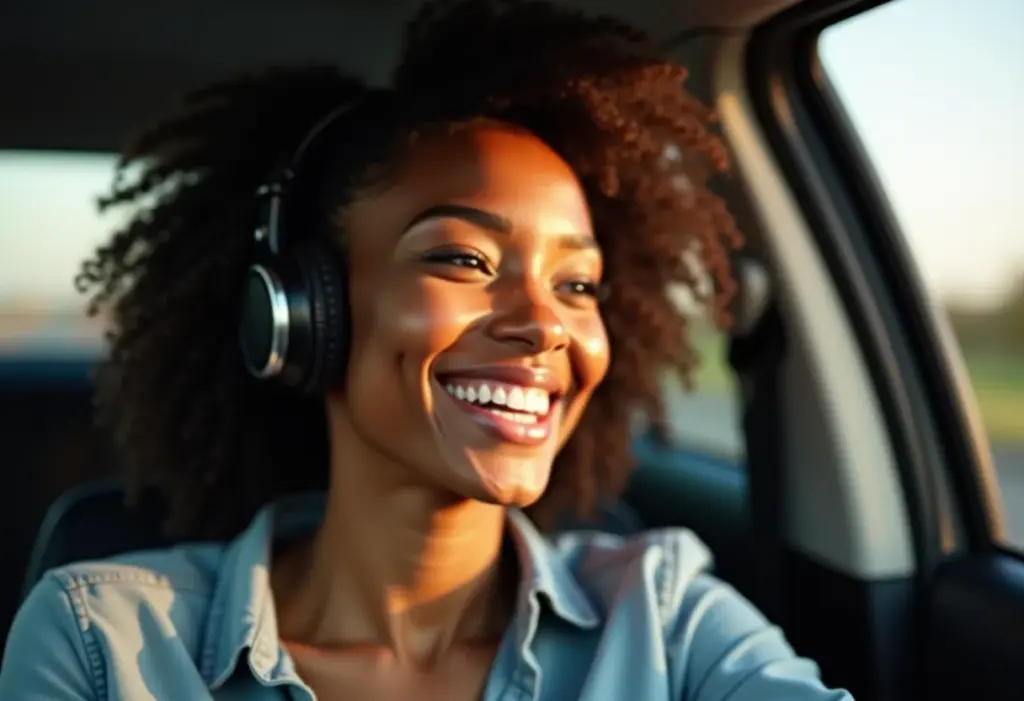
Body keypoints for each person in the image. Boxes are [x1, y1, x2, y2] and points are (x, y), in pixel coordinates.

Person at [0, 1, 853, 699]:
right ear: (301, 311)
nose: (546, 325)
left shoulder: (668, 618)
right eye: (464, 259)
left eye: (577, 284)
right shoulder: (98, 645)